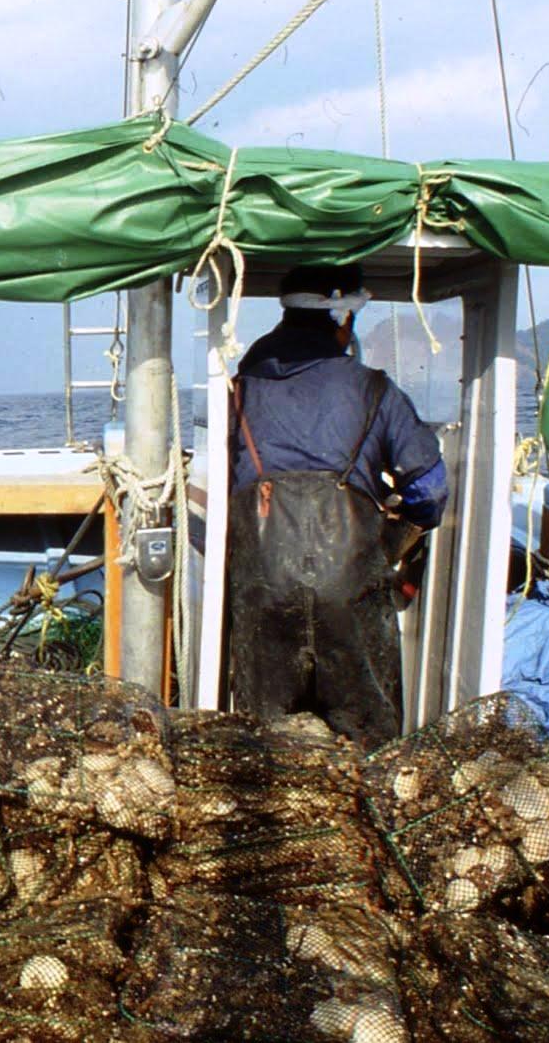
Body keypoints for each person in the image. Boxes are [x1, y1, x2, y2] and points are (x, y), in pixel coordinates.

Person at [227, 264, 447, 749]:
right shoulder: (376, 389)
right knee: (368, 739)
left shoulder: (240, 390)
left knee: (263, 742)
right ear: (344, 319)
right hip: (351, 588)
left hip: (264, 583)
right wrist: (400, 533)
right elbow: (429, 491)